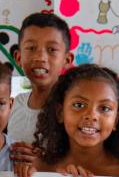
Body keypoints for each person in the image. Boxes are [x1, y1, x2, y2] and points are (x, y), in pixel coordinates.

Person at [27, 65, 119, 177]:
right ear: (60, 113)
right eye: (79, 105)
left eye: (105, 108)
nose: (91, 116)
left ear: (116, 120)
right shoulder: (40, 169)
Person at [8, 12, 74, 151]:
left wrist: (41, 164)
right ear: (18, 57)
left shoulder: (74, 110)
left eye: (52, 49)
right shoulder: (15, 105)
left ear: (67, 60)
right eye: (31, 48)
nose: (40, 57)